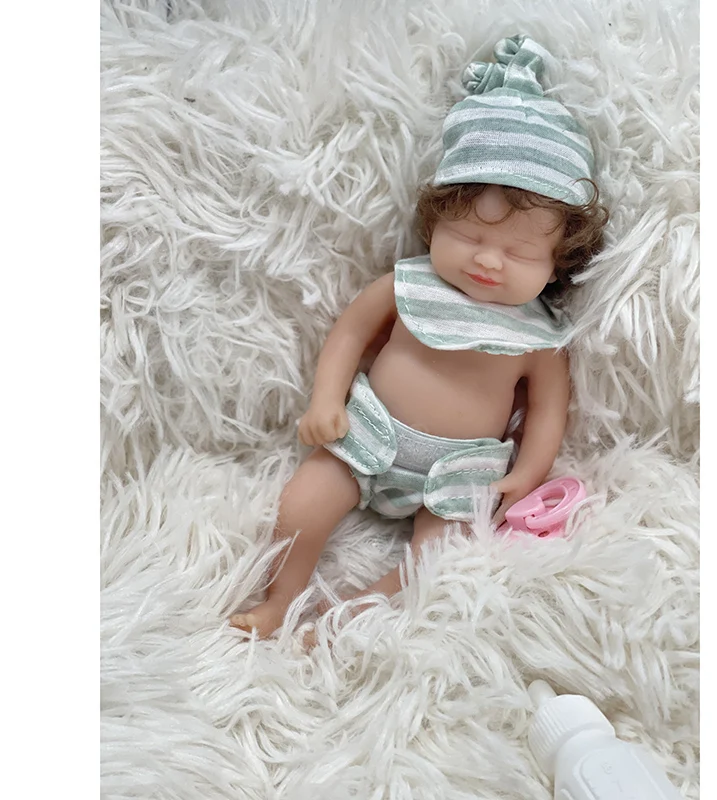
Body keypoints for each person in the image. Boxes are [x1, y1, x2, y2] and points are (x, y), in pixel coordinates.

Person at [231, 34, 608, 638]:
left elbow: (547, 412)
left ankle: (347, 619)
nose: (488, 260)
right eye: (467, 236)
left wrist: (527, 474)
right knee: (301, 505)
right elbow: (350, 333)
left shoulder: (539, 337)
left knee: (440, 558)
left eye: (518, 251)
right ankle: (279, 600)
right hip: (367, 437)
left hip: (459, 473)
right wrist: (326, 400)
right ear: (435, 221)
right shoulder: (406, 285)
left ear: (558, 259)